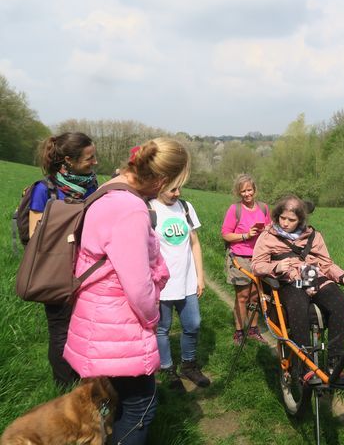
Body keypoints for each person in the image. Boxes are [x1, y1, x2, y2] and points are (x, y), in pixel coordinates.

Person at [63, 138, 190, 445]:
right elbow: (138, 286)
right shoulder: (130, 208)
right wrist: (151, 319)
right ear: (160, 179)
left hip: (99, 320)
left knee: (108, 406)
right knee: (139, 408)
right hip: (119, 328)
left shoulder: (108, 191)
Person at [251, 195, 344, 387]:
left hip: (314, 276)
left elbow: (326, 264)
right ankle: (304, 367)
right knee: (298, 307)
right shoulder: (268, 236)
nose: (286, 223)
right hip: (290, 281)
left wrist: (342, 276)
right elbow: (257, 265)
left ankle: (334, 363)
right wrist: (277, 267)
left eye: (291, 220)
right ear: (277, 216)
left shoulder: (314, 236)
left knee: (339, 303)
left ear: (301, 220)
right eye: (282, 218)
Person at [28, 131, 98, 389]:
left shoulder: (92, 185)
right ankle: (66, 388)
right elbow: (37, 240)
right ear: (68, 160)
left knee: (84, 328)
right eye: (89, 158)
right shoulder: (44, 190)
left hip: (88, 269)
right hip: (56, 271)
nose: (95, 162)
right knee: (60, 330)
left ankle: (86, 381)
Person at [151, 186, 210, 390]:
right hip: (161, 284)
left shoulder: (185, 207)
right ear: (159, 185)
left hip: (186, 281)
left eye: (179, 188)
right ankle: (167, 369)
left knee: (193, 324)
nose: (177, 193)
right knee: (162, 329)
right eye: (172, 189)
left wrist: (199, 276)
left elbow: (195, 244)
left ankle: (189, 365)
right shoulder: (148, 209)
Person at [221, 174, 270, 345]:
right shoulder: (235, 209)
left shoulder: (264, 208)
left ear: (254, 190)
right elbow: (226, 234)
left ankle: (253, 329)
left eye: (249, 190)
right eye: (243, 191)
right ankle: (239, 331)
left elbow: (270, 230)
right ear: (239, 193)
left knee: (256, 296)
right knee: (242, 296)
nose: (247, 194)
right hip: (240, 257)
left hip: (259, 257)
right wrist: (245, 235)